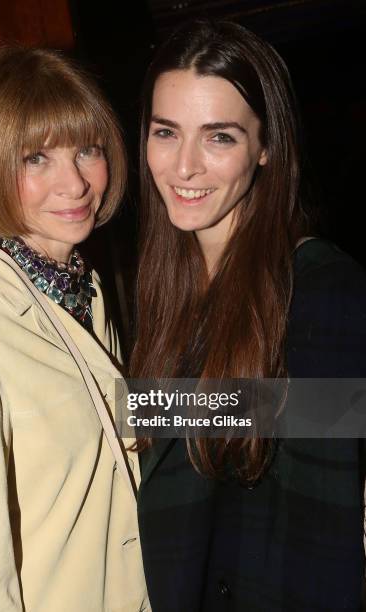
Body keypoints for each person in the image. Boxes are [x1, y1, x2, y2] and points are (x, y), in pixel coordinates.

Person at [131, 19, 366, 611]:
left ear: (265, 147)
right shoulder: (166, 284)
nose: (184, 167)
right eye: (166, 132)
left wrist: (123, 407)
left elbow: (326, 539)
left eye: (219, 137)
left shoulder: (322, 289)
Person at [0, 46, 149, 612]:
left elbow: (127, 415)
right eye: (35, 158)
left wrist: (312, 409)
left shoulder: (77, 289)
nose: (76, 183)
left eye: (86, 149)